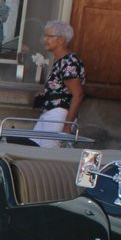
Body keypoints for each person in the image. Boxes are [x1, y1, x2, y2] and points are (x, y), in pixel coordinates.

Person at [31, 20, 85, 148]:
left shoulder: (69, 62)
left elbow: (78, 94)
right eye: (45, 36)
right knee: (34, 147)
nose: (45, 39)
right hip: (49, 111)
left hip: (58, 114)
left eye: (49, 36)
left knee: (48, 152)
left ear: (61, 40)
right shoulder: (60, 61)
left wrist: (67, 124)